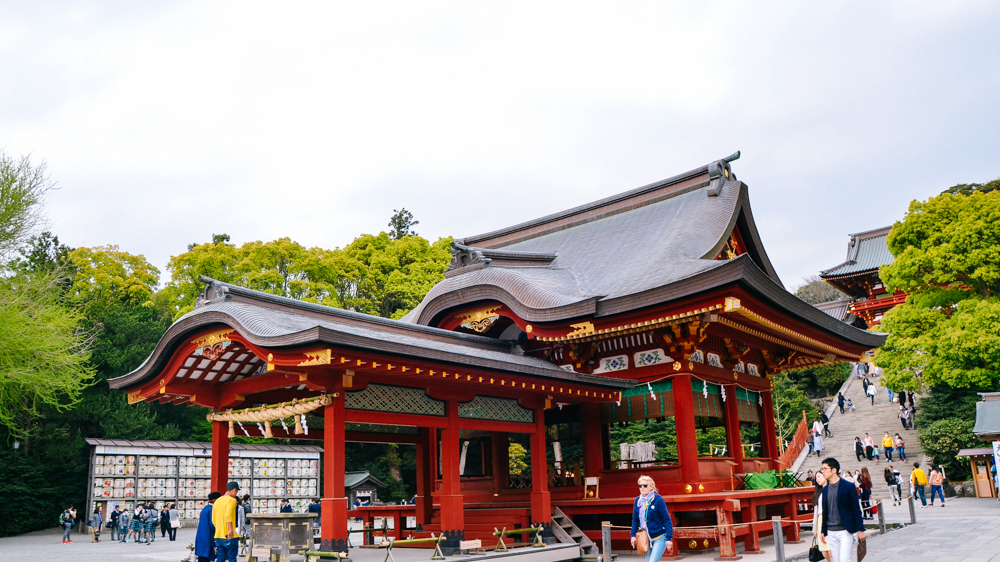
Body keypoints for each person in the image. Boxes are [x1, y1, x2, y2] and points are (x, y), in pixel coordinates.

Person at [818, 458, 866, 562]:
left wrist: (860, 529)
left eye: (825, 469)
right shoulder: (825, 489)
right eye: (822, 469)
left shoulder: (848, 486)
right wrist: (823, 530)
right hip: (831, 530)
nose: (823, 471)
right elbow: (825, 511)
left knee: (844, 559)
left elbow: (856, 509)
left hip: (845, 530)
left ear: (834, 470)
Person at [630, 475, 673, 562]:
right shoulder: (638, 501)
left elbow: (666, 519)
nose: (642, 487)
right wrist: (632, 535)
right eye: (640, 485)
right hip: (644, 538)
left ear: (651, 486)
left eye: (645, 485)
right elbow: (635, 520)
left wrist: (669, 538)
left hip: (659, 537)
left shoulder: (658, 499)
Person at [213, 481, 241, 562]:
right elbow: (228, 515)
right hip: (229, 536)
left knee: (220, 558)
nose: (236, 494)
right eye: (236, 491)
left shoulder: (217, 501)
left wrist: (219, 529)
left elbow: (214, 519)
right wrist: (230, 529)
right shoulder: (231, 500)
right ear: (234, 490)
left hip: (218, 535)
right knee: (232, 558)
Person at [811, 471, 833, 562]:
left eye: (819, 476)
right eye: (816, 477)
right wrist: (815, 528)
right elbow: (816, 512)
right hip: (820, 520)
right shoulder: (819, 492)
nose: (817, 479)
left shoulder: (831, 489)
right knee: (824, 552)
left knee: (831, 551)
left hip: (829, 520)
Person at [196, 492, 221, 562]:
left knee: (201, 557)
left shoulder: (205, 508)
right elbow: (212, 523)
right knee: (206, 556)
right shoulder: (212, 509)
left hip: (201, 534)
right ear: (215, 500)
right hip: (208, 535)